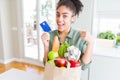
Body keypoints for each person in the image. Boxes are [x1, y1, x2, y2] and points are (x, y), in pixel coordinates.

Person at [41, 0, 94, 70]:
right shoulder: (50, 35)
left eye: (65, 16)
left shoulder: (80, 37)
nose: (59, 19)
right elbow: (46, 65)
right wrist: (46, 46)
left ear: (73, 18)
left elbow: (84, 66)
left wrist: (91, 43)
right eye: (58, 15)